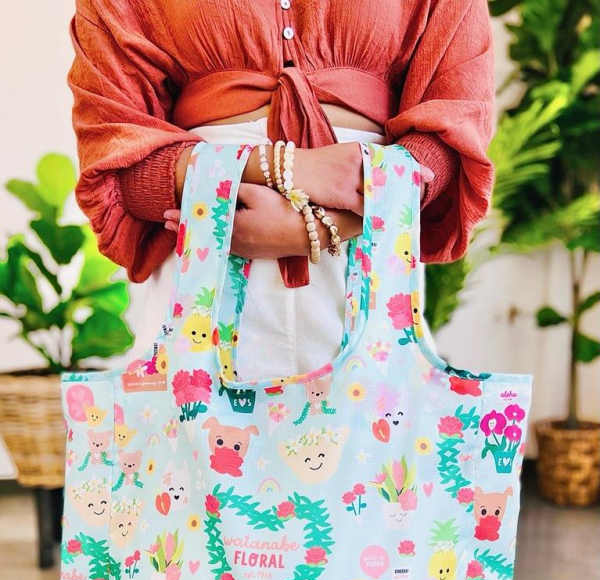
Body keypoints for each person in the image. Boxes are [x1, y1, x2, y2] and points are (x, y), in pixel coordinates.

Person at [66, 0, 495, 379]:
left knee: (376, 440)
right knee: (192, 439)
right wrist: (289, 170)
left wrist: (319, 227)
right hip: (209, 259)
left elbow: (454, 127)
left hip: (363, 254)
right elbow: (117, 156)